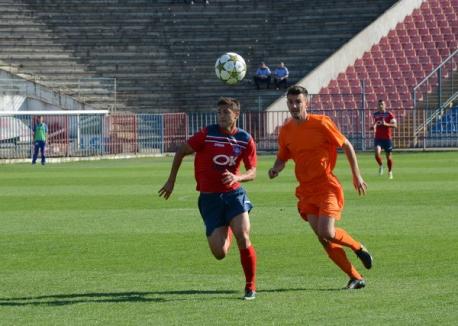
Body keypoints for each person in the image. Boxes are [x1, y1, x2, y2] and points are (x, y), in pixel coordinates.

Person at [268, 85, 373, 290]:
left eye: (298, 101)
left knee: (328, 231)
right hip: (306, 190)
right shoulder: (286, 130)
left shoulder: (322, 123)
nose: (294, 106)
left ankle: (358, 247)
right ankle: (355, 277)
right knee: (323, 238)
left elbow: (347, 145)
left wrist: (356, 175)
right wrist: (276, 169)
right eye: (290, 102)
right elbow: (283, 156)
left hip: (326, 185)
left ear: (306, 102)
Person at [158, 97, 257, 300]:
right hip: (209, 199)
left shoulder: (245, 139)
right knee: (219, 253)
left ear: (236, 114)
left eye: (226, 112)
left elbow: (253, 171)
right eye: (219, 112)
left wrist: (237, 177)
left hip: (234, 195)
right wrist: (171, 181)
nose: (221, 116)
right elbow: (181, 151)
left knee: (244, 236)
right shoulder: (206, 134)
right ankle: (228, 228)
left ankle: (250, 286)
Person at [372, 99, 397, 179]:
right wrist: (373, 127)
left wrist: (386, 124)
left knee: (389, 158)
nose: (380, 106)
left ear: (385, 105)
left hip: (387, 139)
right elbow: (375, 123)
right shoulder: (375, 114)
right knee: (376, 153)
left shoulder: (389, 114)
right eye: (379, 104)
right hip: (378, 138)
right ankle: (381, 166)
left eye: (382, 104)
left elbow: (395, 125)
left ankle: (390, 171)